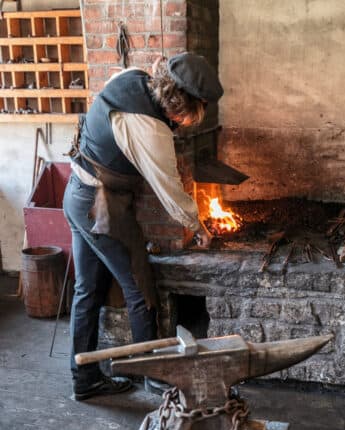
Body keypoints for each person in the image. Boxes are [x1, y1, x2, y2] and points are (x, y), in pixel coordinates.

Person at [63, 52, 224, 401]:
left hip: (76, 194)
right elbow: (170, 188)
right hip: (101, 208)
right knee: (140, 290)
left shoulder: (132, 77)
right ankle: (153, 374)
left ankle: (84, 378)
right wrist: (197, 226)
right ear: (185, 105)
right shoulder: (150, 129)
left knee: (86, 291)